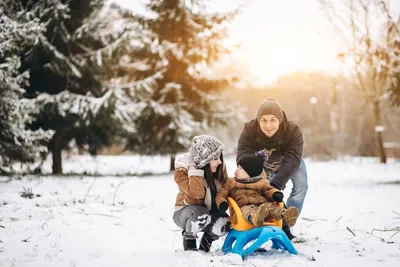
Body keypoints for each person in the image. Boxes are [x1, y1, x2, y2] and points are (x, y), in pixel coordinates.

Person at [236, 97, 308, 239]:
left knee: (301, 186)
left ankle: (287, 221)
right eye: (264, 120)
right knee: (266, 192)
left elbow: (293, 158)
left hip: (289, 162)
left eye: (273, 120)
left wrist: (277, 183)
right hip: (262, 163)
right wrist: (256, 174)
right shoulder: (249, 129)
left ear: (280, 120)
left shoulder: (293, 131)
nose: (268, 125)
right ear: (258, 120)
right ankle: (276, 224)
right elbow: (242, 155)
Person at [173, 135, 231, 252]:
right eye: (215, 158)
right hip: (185, 214)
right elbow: (197, 193)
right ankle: (190, 242)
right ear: (203, 160)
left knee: (225, 222)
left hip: (209, 213)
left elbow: (229, 190)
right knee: (200, 214)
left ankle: (206, 244)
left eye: (219, 158)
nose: (219, 162)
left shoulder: (218, 170)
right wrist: (195, 170)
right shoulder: (182, 172)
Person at [216, 155, 298, 228]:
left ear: (251, 173)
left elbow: (269, 190)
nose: (237, 170)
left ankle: (286, 214)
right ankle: (255, 218)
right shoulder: (231, 182)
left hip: (262, 207)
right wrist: (222, 203)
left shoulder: (262, 182)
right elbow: (222, 194)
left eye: (241, 168)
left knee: (272, 207)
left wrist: (275, 194)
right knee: (247, 211)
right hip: (242, 210)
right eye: (238, 166)